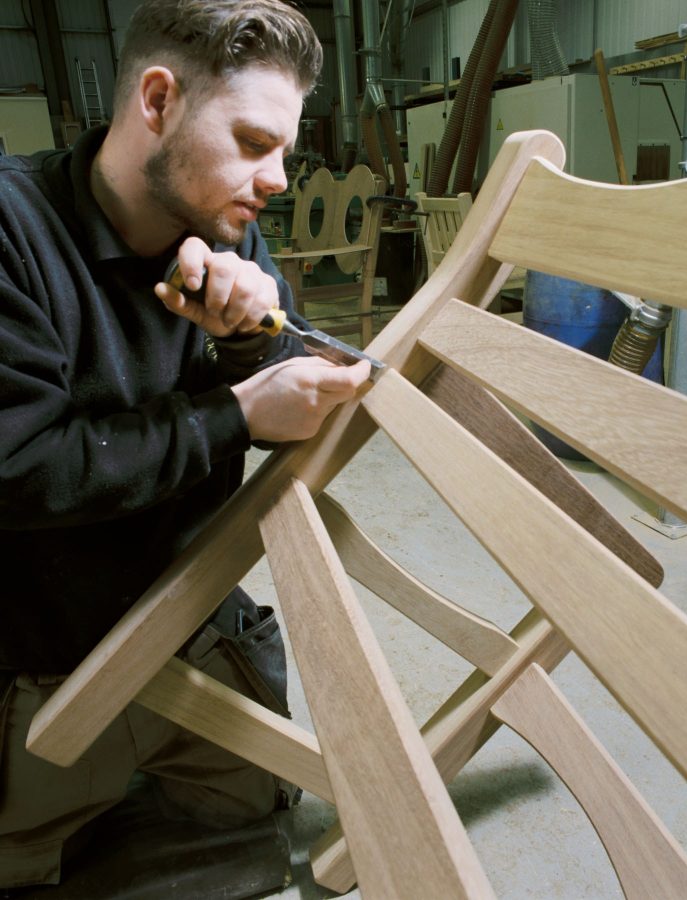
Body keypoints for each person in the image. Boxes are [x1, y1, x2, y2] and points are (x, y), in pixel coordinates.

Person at [0, 0, 370, 890]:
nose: (277, 176)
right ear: (158, 100)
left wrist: (251, 342)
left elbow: (289, 355)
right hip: (39, 646)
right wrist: (235, 413)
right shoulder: (14, 228)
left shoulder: (225, 217)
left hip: (189, 615)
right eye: (252, 140)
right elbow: (19, 469)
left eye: (284, 148)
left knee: (260, 829)